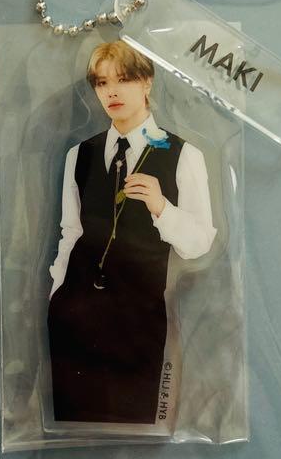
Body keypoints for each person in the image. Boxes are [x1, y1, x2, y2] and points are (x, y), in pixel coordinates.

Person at [47, 41, 216, 424]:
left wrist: (161, 207)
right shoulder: (79, 154)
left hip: (137, 321)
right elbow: (70, 232)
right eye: (102, 82)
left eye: (123, 79)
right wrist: (56, 294)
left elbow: (199, 244)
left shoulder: (183, 154)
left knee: (131, 428)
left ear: (147, 82)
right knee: (72, 428)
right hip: (74, 317)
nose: (112, 91)